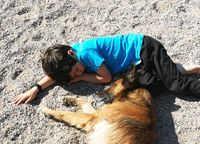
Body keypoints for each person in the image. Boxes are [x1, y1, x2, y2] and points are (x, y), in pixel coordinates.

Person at [13, 33, 200, 104]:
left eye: (77, 70)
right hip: (136, 62)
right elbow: (54, 75)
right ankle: (190, 68)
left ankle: (179, 74)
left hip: (144, 48)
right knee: (151, 86)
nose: (78, 73)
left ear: (71, 53)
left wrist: (83, 77)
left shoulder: (85, 54)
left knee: (177, 85)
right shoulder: (68, 58)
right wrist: (36, 88)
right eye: (75, 74)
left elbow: (106, 78)